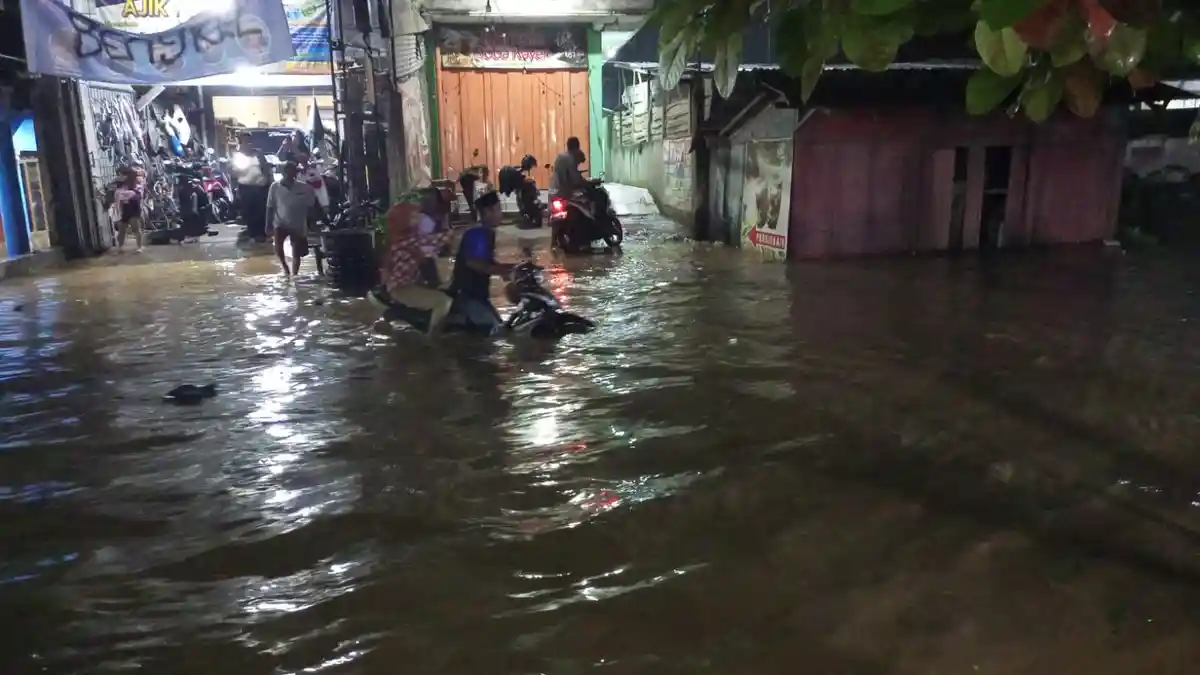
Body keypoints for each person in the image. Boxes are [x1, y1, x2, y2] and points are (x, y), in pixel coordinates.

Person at [372, 197, 456, 335]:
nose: (417, 218)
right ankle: (432, 338)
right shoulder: (408, 240)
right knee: (444, 302)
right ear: (403, 220)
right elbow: (437, 240)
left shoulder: (398, 239)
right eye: (412, 216)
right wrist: (458, 233)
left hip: (404, 284)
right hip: (402, 288)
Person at [446, 190, 516, 333]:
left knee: (502, 328)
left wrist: (512, 268)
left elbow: (485, 261)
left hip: (479, 297)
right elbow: (473, 263)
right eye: (498, 209)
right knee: (496, 334)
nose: (501, 213)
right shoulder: (478, 234)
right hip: (467, 297)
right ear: (488, 211)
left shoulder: (486, 232)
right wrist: (499, 270)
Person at [266, 161, 320, 276]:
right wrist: (268, 224)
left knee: (296, 251)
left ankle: (295, 274)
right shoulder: (274, 187)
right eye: (287, 172)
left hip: (298, 224)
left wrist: (312, 224)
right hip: (280, 222)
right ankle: (285, 268)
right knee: (278, 247)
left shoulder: (305, 188)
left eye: (292, 172)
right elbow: (269, 207)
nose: (290, 175)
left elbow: (311, 208)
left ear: (295, 173)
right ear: (283, 173)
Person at [232, 134, 273, 241]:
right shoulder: (238, 156)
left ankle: (264, 233)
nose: (249, 144)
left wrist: (269, 180)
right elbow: (234, 172)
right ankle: (254, 234)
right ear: (241, 143)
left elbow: (266, 168)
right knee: (250, 211)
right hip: (246, 187)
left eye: (250, 141)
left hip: (261, 187)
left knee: (262, 210)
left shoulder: (258, 154)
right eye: (246, 142)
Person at [112, 168, 144, 252]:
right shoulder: (123, 186)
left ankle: (139, 247)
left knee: (136, 228)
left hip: (134, 209)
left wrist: (126, 195)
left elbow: (137, 196)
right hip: (125, 210)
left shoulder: (138, 186)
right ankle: (120, 247)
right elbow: (119, 197)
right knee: (122, 230)